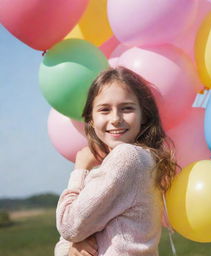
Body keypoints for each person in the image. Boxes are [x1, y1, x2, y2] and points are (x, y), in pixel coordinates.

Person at [54, 66, 177, 256]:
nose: (116, 119)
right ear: (91, 119)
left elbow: (69, 226)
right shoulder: (132, 161)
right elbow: (67, 240)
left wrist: (79, 169)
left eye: (126, 108)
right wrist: (71, 248)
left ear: (143, 116)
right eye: (104, 110)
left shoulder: (128, 158)